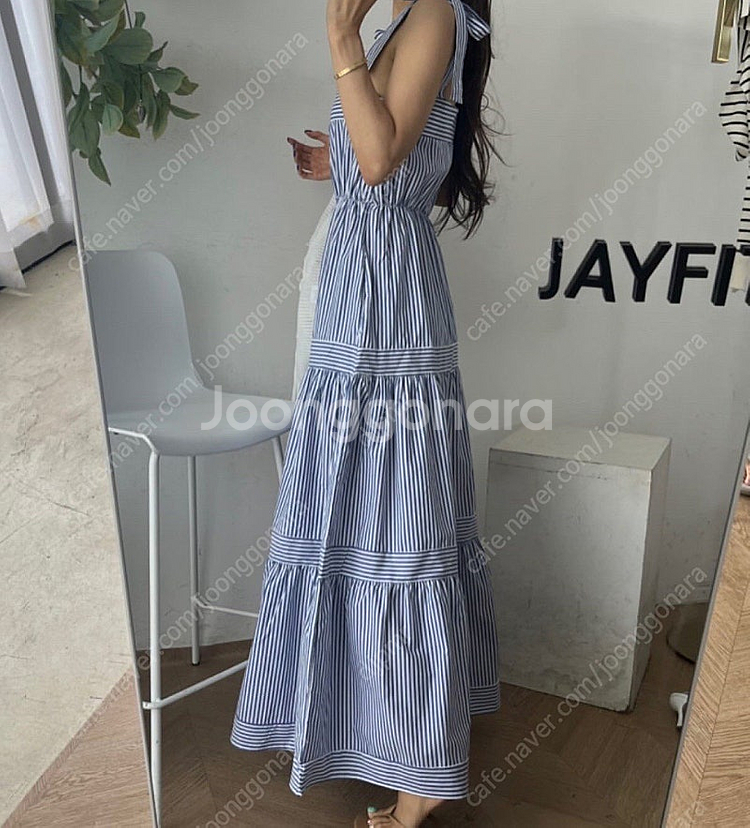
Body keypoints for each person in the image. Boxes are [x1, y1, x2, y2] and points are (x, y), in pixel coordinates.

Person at [231, 2, 501, 826]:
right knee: (360, 512)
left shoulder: (433, 14)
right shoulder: (408, 17)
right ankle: (371, 730)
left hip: (381, 298)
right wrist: (339, 159)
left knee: (398, 517)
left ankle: (419, 783)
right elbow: (391, 156)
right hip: (360, 282)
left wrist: (342, 43)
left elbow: (382, 163)